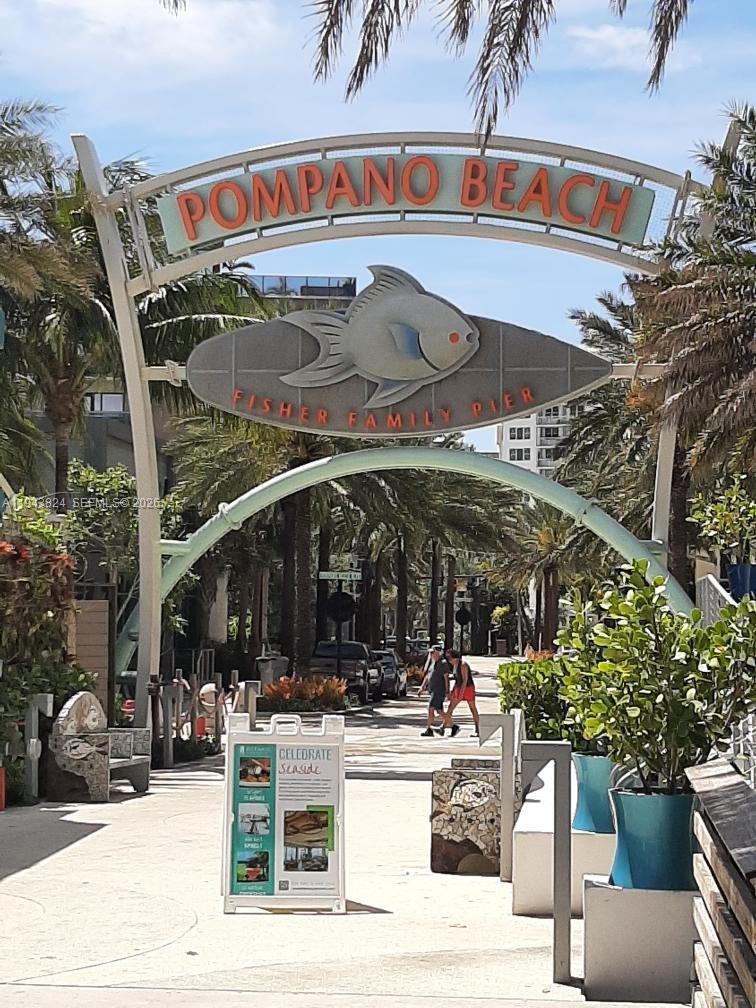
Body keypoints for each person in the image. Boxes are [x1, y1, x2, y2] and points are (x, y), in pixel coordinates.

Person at [442, 649, 479, 737]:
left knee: (472, 709)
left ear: (455, 658)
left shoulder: (463, 665)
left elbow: (465, 680)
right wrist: (452, 691)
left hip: (468, 688)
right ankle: (443, 727)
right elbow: (457, 680)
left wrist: (461, 693)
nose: (449, 661)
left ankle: (478, 729)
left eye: (450, 658)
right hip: (458, 687)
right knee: (450, 708)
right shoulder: (454, 666)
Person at [418, 644, 450, 737]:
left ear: (439, 653)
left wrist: (447, 691)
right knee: (439, 711)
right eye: (431, 653)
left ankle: (429, 729)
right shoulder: (433, 663)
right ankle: (452, 725)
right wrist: (422, 687)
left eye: (433, 652)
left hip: (439, 690)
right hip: (432, 690)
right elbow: (428, 676)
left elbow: (446, 678)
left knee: (431, 708)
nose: (431, 654)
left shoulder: (443, 663)